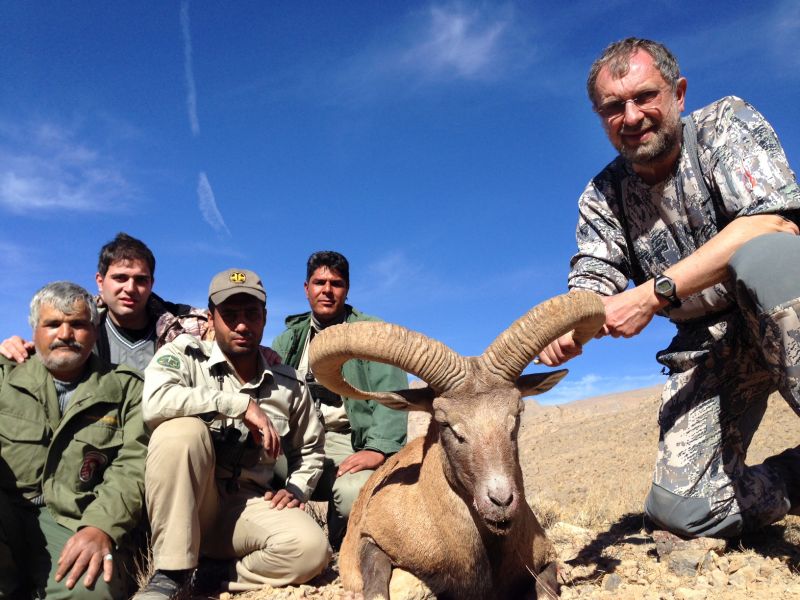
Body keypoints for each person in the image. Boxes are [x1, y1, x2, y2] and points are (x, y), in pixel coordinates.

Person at [540, 37, 800, 540]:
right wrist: (569, 326)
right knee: (684, 511)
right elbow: (594, 279)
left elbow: (773, 224)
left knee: (765, 258)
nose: (631, 116)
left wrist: (650, 294)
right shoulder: (602, 196)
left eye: (645, 97)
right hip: (709, 346)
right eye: (613, 107)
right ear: (601, 118)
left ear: (678, 93)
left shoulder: (725, 124)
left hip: (783, 300)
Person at [135, 268, 329, 599]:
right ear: (211, 318)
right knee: (180, 431)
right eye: (230, 315)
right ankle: (170, 574)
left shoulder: (289, 383)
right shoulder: (183, 355)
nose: (242, 325)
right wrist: (236, 405)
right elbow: (155, 403)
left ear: (264, 318)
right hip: (191, 503)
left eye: (251, 314)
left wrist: (297, 488)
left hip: (248, 504)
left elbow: (310, 448)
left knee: (311, 550)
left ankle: (214, 575)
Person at [0, 282, 147, 599]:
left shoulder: (127, 389)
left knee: (91, 591)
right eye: (53, 324)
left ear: (94, 331)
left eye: (78, 324)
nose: (65, 334)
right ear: (34, 330)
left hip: (73, 519)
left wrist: (101, 526)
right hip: (6, 514)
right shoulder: (4, 376)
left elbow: (133, 466)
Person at [272, 251, 408, 547]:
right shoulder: (288, 339)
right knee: (248, 468)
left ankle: (342, 540)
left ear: (347, 289)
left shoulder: (373, 333)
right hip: (297, 441)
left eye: (336, 283)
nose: (327, 290)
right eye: (319, 282)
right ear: (306, 288)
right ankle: (278, 539)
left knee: (351, 495)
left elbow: (393, 395)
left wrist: (378, 449)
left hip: (349, 441)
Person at [0, 232, 210, 370]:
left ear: (151, 284)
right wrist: (16, 348)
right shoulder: (77, 321)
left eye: (140, 280)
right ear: (100, 282)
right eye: (120, 278)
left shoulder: (189, 326)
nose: (130, 288)